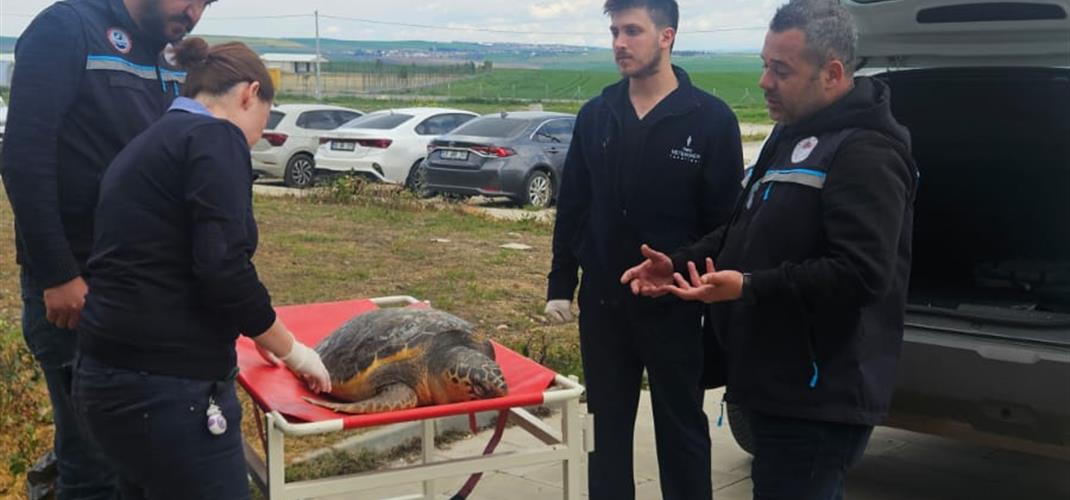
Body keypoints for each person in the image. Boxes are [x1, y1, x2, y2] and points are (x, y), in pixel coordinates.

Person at [621, 1, 919, 498]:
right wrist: (676, 263)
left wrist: (749, 287)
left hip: (819, 396)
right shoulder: (791, 136)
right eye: (764, 64)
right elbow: (742, 229)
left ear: (832, 73)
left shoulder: (867, 153)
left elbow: (862, 275)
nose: (764, 81)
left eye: (780, 69)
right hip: (774, 384)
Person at [69, 38, 331, 500]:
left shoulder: (151, 142)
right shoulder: (215, 136)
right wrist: (292, 350)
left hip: (105, 378)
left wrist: (261, 336)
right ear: (249, 94)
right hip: (169, 388)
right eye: (261, 124)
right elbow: (223, 266)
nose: (253, 139)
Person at [2, 1, 215, 497]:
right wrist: (57, 273)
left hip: (144, 293)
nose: (196, 13)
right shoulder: (67, 29)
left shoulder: (163, 54)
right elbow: (24, 158)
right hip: (79, 293)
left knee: (137, 456)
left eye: (208, 4)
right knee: (94, 467)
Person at [543, 1, 743, 498]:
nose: (619, 43)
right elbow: (573, 209)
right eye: (614, 31)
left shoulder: (712, 120)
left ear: (666, 36)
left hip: (675, 304)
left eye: (633, 31)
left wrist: (679, 269)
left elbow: (727, 226)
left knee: (681, 431)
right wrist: (560, 287)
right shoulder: (597, 116)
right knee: (605, 433)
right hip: (605, 305)